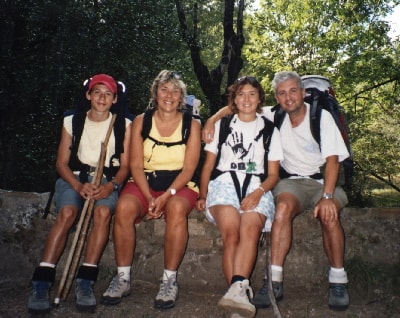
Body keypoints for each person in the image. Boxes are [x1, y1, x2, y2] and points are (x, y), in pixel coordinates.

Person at [202, 71, 350, 311]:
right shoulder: (273, 114)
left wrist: (327, 197)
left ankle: (338, 279)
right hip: (291, 182)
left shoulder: (320, 117)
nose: (288, 97)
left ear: (303, 93)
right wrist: (212, 120)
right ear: (275, 98)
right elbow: (240, 107)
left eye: (293, 91)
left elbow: (333, 162)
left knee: (328, 214)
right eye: (282, 93)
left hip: (323, 181)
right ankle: (275, 281)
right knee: (281, 209)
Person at [27, 74, 132, 313]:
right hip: (74, 177)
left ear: (115, 98)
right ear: (88, 95)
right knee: (66, 213)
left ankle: (85, 281)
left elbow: (125, 166)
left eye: (108, 93)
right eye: (97, 92)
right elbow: (61, 163)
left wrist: (111, 186)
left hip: (106, 180)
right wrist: (78, 186)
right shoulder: (72, 120)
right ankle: (42, 281)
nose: (102, 97)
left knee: (103, 212)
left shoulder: (123, 124)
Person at [101, 70, 201, 310]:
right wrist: (148, 198)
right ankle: (122, 278)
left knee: (176, 209)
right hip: (144, 182)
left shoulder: (192, 124)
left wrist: (166, 196)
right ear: (155, 93)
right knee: (124, 207)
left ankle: (169, 281)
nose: (169, 95)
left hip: (178, 185)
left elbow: (189, 169)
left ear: (181, 97)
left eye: (175, 91)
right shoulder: (140, 121)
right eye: (164, 89)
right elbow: (135, 164)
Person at [196, 76, 283, 318]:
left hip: (258, 184)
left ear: (259, 99)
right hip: (224, 183)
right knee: (231, 231)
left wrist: (258, 193)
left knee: (250, 230)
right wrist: (203, 194)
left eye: (252, 94)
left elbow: (273, 175)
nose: (246, 99)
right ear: (234, 99)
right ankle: (238, 293)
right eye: (241, 94)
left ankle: (236, 294)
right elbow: (207, 166)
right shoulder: (222, 126)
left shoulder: (269, 130)